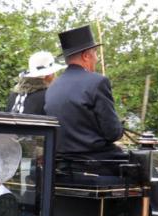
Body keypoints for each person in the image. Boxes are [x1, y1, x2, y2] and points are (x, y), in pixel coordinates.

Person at [44, 25, 126, 160]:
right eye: (95, 53)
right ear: (86, 55)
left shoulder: (53, 86)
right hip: (95, 161)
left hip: (61, 161)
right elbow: (112, 133)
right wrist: (120, 127)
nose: (97, 58)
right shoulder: (98, 82)